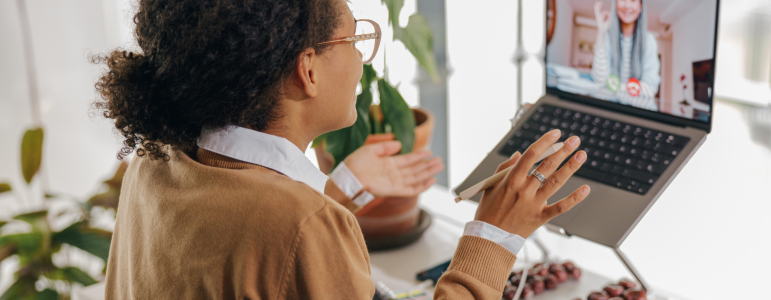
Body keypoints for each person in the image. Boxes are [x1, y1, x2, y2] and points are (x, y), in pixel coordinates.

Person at [94, 0, 589, 298]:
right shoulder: (299, 223)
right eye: (354, 39)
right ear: (308, 70)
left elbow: (257, 265)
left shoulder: (157, 160)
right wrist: (493, 236)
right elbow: (281, 238)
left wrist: (341, 188)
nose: (359, 58)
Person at [591, 0, 661, 111]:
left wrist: (612, 89)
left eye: (633, 0)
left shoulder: (649, 41)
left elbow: (649, 90)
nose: (627, 5)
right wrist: (601, 32)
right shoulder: (607, 37)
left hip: (637, 113)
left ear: (640, 6)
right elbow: (599, 81)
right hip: (608, 110)